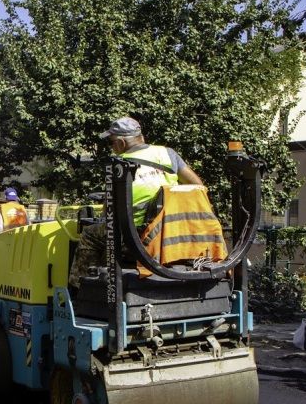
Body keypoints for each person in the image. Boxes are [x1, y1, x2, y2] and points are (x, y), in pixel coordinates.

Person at [69, 116, 205, 287]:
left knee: (90, 234)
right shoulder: (168, 154)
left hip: (137, 238)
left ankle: (80, 289)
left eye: (111, 143)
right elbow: (197, 186)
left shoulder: (119, 165)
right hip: (171, 232)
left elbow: (108, 212)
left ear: (121, 143)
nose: (112, 147)